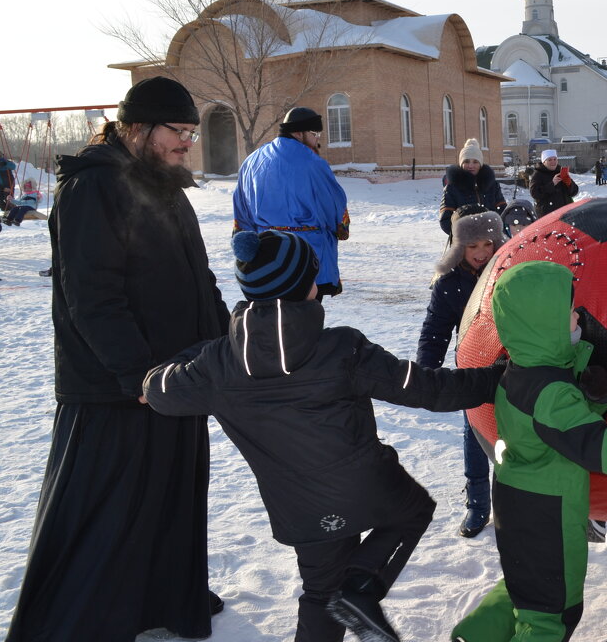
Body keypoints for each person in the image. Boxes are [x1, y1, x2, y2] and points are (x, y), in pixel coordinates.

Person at [145, 229, 505, 642]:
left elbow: (158, 391)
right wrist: (499, 378)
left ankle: (348, 593)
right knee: (414, 509)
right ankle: (359, 588)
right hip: (367, 488)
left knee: (320, 594)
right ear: (306, 288)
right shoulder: (342, 350)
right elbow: (430, 389)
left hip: (299, 510)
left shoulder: (216, 366)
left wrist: (186, 359)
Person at [6, 76, 229, 641]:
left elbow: (197, 277)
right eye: (177, 132)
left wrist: (225, 340)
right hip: (116, 388)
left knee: (169, 499)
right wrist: (139, 376)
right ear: (137, 128)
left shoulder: (163, 184)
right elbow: (93, 297)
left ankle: (163, 594)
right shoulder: (95, 189)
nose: (187, 143)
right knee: (110, 516)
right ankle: (86, 619)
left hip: (176, 376)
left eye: (190, 132)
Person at [451, 261, 607, 642]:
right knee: (552, 613)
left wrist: (591, 396)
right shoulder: (552, 393)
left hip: (517, 500)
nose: (577, 314)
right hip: (549, 513)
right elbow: (595, 447)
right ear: (542, 325)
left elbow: (549, 429)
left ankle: (475, 635)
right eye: (567, 312)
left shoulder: (517, 371)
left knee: (523, 589)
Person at [417, 206, 506, 538]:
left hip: (513, 368)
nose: (482, 253)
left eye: (488, 243)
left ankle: (508, 501)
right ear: (459, 247)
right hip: (473, 369)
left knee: (512, 439)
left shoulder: (511, 270)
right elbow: (436, 330)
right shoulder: (449, 283)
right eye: (473, 246)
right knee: (475, 435)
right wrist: (427, 369)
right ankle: (478, 504)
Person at [233, 106, 350, 297]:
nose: (317, 139)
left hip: (265, 257)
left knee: (271, 317)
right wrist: (341, 228)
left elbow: (241, 210)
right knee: (305, 316)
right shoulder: (313, 163)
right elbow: (333, 204)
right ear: (298, 133)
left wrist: (246, 244)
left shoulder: (251, 161)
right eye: (314, 133)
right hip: (304, 256)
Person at [439, 138, 505, 235]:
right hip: (465, 243)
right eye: (466, 161)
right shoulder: (452, 188)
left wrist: (493, 230)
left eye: (475, 162)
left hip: (490, 240)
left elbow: (503, 212)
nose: (470, 165)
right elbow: (445, 220)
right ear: (461, 164)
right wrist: (467, 236)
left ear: (480, 164)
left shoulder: (492, 185)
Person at [529, 149, 578, 218]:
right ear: (544, 162)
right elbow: (534, 193)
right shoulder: (538, 175)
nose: (553, 162)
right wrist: (552, 184)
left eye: (555, 159)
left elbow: (574, 192)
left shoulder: (560, 172)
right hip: (548, 216)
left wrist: (569, 184)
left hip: (566, 213)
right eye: (550, 160)